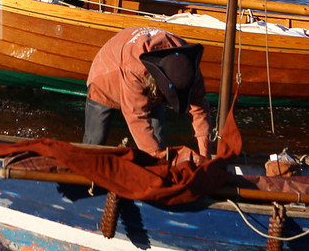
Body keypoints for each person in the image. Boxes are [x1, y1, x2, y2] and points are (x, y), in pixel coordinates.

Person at [83, 27, 212, 160]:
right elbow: (137, 118)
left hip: (154, 81)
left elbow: (200, 110)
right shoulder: (135, 68)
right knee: (95, 143)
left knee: (158, 140)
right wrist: (157, 162)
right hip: (105, 79)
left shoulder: (188, 66)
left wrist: (205, 157)